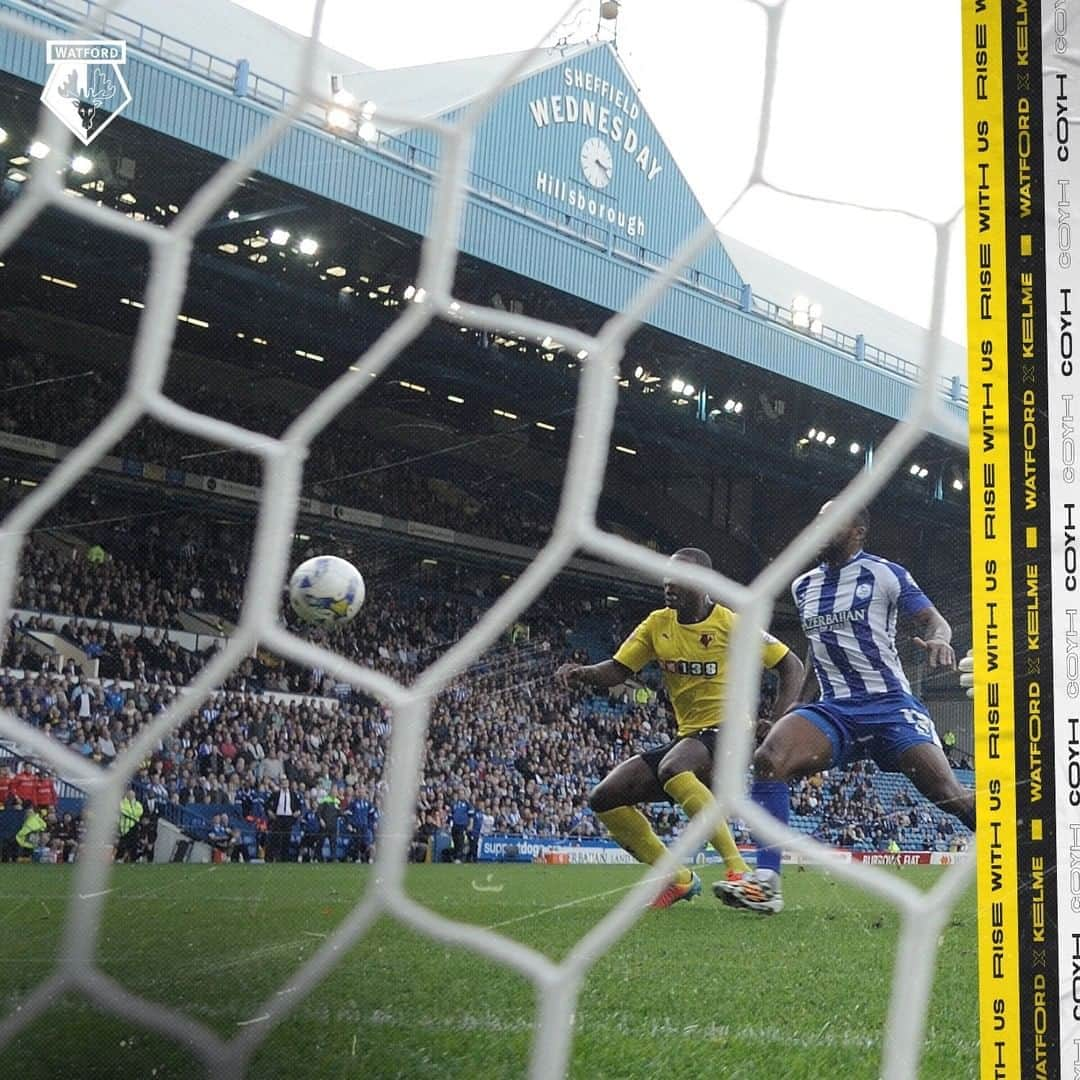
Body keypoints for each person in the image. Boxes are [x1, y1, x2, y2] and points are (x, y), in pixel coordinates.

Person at [716, 503, 976, 915]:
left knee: (951, 796)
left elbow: (933, 620)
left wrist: (941, 639)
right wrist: (796, 708)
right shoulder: (804, 587)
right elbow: (820, 654)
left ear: (857, 531)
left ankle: (1021, 854)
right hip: (835, 711)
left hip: (889, 706)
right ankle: (766, 883)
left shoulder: (885, 573)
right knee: (769, 760)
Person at [556, 547, 803, 908]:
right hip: (691, 737)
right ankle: (678, 878)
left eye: (680, 578)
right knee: (605, 798)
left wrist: (779, 719)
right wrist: (582, 673)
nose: (669, 584)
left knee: (675, 767)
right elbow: (618, 670)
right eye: (667, 577)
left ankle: (739, 873)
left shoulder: (733, 624)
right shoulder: (657, 625)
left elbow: (791, 666)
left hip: (734, 734)